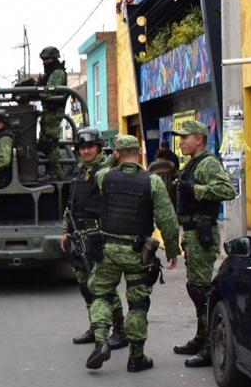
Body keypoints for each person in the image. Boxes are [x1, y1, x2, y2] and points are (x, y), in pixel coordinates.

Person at [85, 134, 180, 372]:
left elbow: (102, 166)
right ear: (139, 153)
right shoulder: (153, 182)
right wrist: (172, 249)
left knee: (101, 295)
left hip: (108, 249)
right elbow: (166, 218)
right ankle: (136, 357)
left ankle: (100, 341)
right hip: (139, 252)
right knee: (138, 304)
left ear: (116, 154)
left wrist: (112, 158)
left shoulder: (104, 176)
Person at [170, 119, 238, 368]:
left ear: (199, 138)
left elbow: (228, 191)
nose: (181, 142)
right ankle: (201, 338)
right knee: (196, 288)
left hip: (202, 234)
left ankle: (211, 346)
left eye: (185, 137)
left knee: (202, 292)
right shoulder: (193, 163)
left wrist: (195, 189)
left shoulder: (208, 163)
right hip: (192, 234)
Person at [60, 127, 127, 350]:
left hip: (98, 235)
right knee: (84, 285)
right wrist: (65, 230)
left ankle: (119, 330)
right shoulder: (79, 172)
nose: (86, 151)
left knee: (103, 287)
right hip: (79, 235)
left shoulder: (105, 170)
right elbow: (71, 206)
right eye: (82, 148)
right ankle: (95, 325)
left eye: (90, 147)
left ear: (99, 147)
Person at [36, 46, 67, 179]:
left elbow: (49, 92)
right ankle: (51, 171)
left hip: (54, 112)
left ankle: (56, 173)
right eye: (43, 59)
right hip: (47, 112)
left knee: (50, 143)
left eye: (47, 59)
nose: (45, 62)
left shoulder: (58, 73)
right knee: (43, 144)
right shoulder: (49, 74)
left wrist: (33, 92)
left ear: (54, 59)